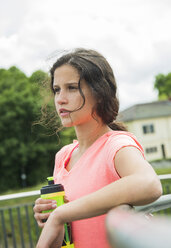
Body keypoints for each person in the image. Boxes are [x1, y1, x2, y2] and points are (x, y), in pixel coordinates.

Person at [33, 48, 162, 248]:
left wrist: (61, 213)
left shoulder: (116, 145)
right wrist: (51, 219)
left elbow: (150, 184)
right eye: (57, 89)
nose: (60, 99)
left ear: (100, 92)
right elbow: (66, 237)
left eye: (72, 88)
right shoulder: (63, 156)